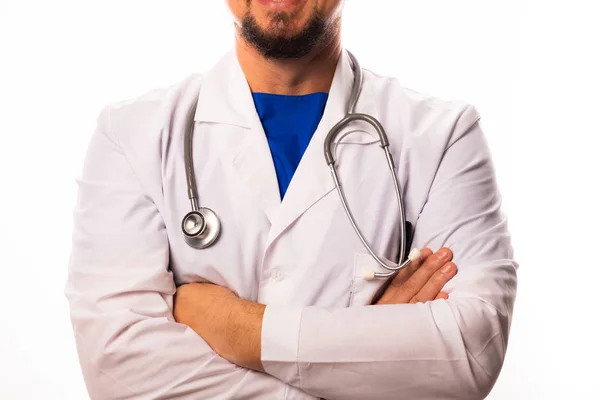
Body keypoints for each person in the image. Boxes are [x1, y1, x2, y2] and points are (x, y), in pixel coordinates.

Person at [65, 1, 518, 399]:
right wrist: (368, 366)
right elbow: (117, 366)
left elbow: (469, 352)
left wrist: (238, 330)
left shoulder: (442, 136)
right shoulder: (132, 135)